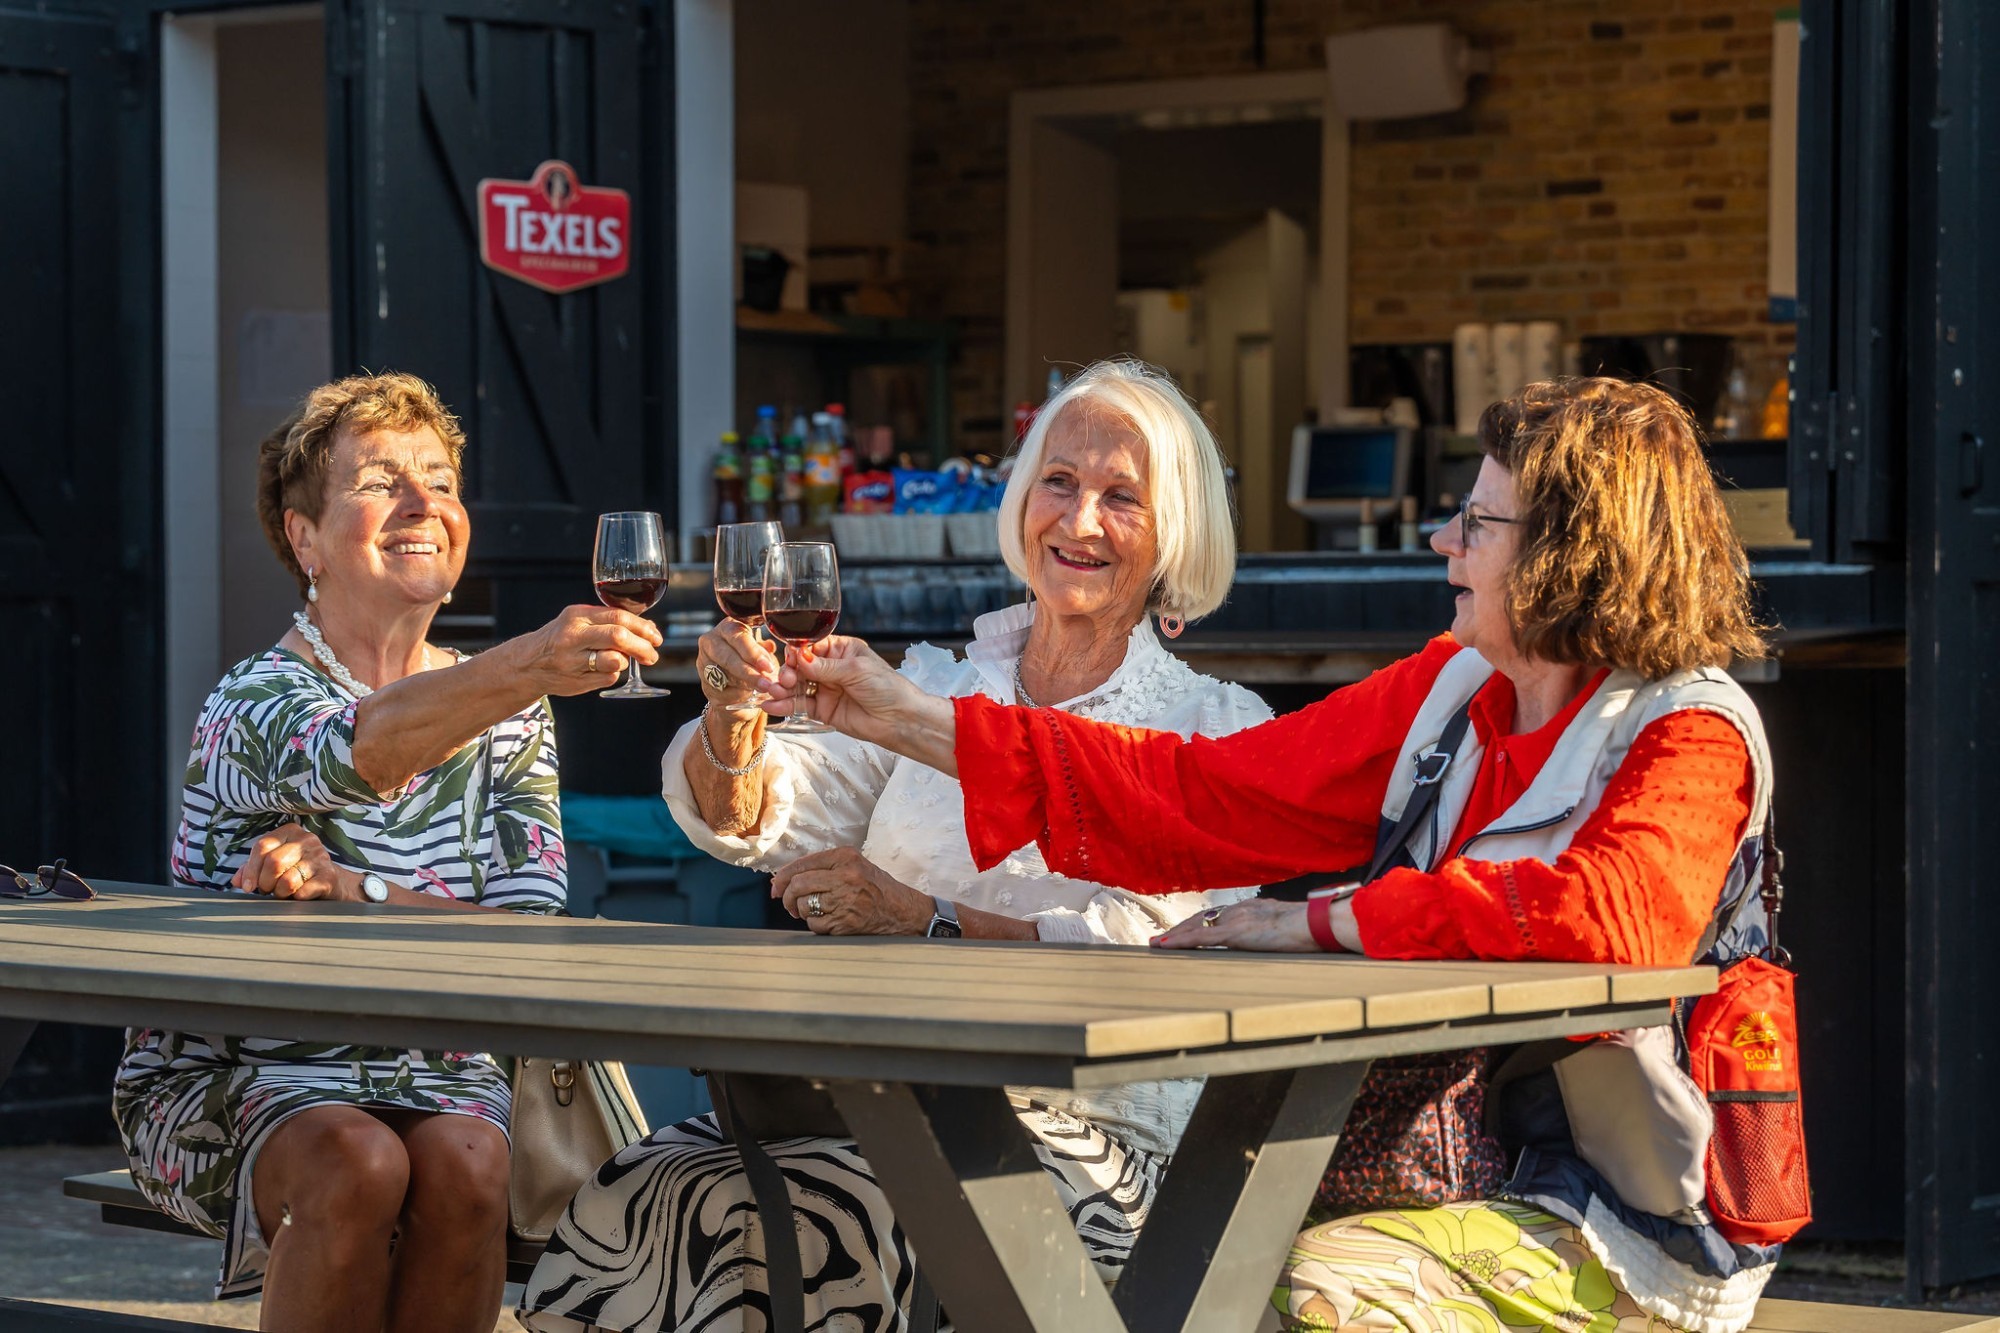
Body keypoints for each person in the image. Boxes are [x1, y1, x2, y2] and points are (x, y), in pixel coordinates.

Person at [760, 377, 1780, 1333]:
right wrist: (909, 718)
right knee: (1187, 1271)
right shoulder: (1451, 689)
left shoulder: (1689, 728)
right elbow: (1197, 795)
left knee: (1286, 1292)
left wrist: (1319, 919)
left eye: (1476, 522)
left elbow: (1602, 918)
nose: (1440, 540)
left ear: (1569, 550)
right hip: (1434, 1171)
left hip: (1626, 1218)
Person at [520, 359, 1272, 1333]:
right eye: (1058, 481)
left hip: (1092, 1138)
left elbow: (1151, 949)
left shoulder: (1211, 726)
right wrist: (732, 717)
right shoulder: (936, 687)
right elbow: (760, 813)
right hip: (871, 1103)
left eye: (1120, 496)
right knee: (653, 1183)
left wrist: (927, 918)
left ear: (1178, 530)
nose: (1079, 520)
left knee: (814, 1215)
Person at [115, 372, 663, 1332]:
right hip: (241, 1074)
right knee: (358, 1161)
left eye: (440, 480)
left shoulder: (512, 716)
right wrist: (530, 660)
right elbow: (357, 751)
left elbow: (532, 936)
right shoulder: (252, 699)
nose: (422, 503)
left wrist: (357, 887)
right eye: (379, 481)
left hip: (438, 1065)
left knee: (469, 1163)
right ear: (305, 538)